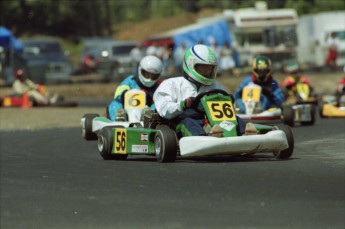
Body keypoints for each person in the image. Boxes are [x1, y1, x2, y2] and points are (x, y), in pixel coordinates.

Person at [153, 44, 249, 138]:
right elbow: (163, 109)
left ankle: (246, 134)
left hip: (213, 122)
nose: (207, 71)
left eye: (210, 68)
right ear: (191, 64)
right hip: (181, 122)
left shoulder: (215, 85)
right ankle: (204, 138)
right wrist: (183, 105)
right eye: (203, 68)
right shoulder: (171, 84)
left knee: (235, 119)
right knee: (189, 122)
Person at [107, 55, 163, 121]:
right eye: (147, 74)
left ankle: (147, 118)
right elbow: (119, 92)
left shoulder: (159, 87)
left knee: (157, 107)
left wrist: (151, 101)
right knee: (114, 104)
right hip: (127, 110)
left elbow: (162, 101)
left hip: (146, 114)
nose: (149, 78)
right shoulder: (130, 81)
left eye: (153, 75)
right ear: (140, 70)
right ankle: (119, 120)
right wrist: (124, 95)